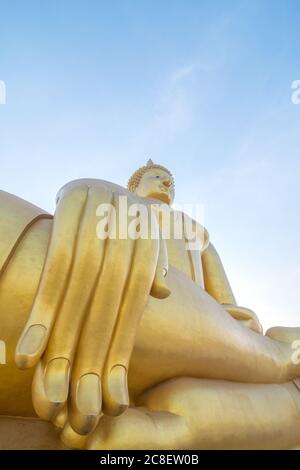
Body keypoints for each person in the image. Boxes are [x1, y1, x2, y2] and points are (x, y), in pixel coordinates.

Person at [0, 160, 300, 449]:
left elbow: (231, 310)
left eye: (169, 179)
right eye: (156, 176)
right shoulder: (122, 209)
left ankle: (279, 378)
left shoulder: (196, 235)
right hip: (119, 316)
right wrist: (96, 194)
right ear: (136, 184)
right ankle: (281, 380)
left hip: (209, 342)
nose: (166, 183)